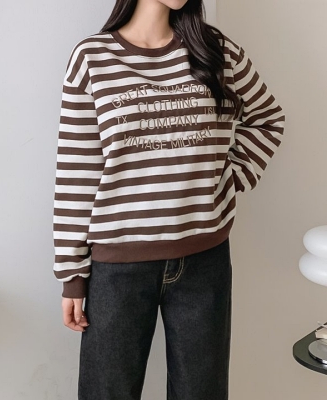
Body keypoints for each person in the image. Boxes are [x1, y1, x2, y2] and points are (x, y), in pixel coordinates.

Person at [53, 0, 285, 399]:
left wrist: (230, 177)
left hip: (205, 260)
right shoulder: (92, 57)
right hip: (118, 267)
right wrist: (72, 275)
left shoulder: (217, 52)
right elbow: (77, 172)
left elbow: (267, 119)